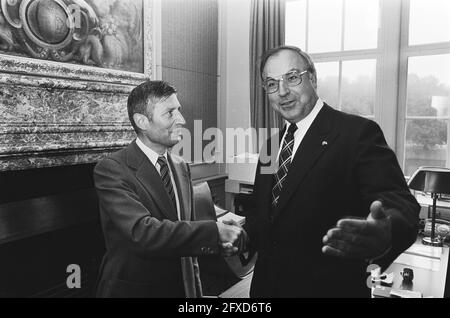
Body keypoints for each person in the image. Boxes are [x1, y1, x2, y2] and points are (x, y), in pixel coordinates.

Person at [242, 45, 420, 297]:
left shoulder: (357, 134)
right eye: (271, 84)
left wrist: (387, 231)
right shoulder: (270, 145)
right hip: (266, 290)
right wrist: (242, 234)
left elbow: (400, 203)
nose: (282, 91)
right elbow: (265, 213)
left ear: (312, 78)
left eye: (292, 78)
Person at [94, 80, 242, 298]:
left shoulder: (181, 166)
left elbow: (184, 228)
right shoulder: (111, 169)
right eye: (170, 113)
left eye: (178, 111)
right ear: (142, 121)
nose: (181, 120)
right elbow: (142, 233)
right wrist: (214, 232)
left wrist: (217, 243)